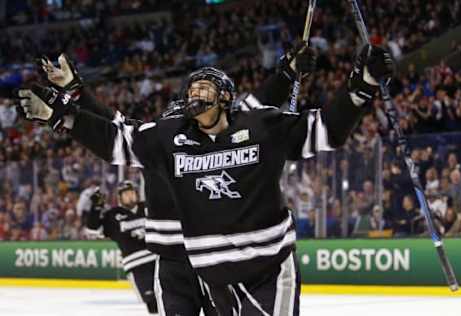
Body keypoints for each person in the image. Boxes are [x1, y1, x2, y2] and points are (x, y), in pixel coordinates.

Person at [18, 43, 393, 315]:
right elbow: (113, 133)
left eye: (205, 92)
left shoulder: (253, 125)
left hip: (253, 264)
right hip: (193, 264)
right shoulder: (164, 138)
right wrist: (66, 111)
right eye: (189, 95)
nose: (194, 101)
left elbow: (308, 124)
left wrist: (352, 87)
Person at [85, 181, 158, 314]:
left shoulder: (148, 207)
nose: (130, 196)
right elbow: (92, 231)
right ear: (120, 197)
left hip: (159, 261)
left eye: (132, 193)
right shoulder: (112, 216)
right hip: (137, 267)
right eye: (126, 194)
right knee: (152, 303)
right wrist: (96, 208)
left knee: (170, 299)